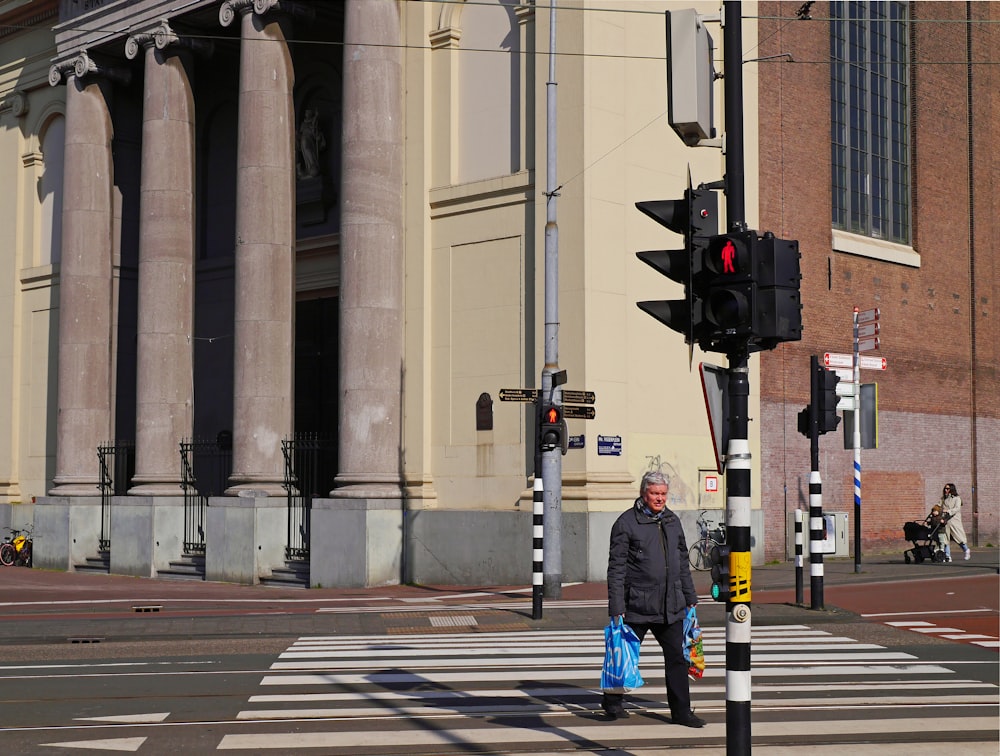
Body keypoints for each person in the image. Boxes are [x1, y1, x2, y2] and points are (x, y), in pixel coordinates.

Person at [602, 470, 704, 728]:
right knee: (623, 655)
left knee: (677, 659)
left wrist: (690, 596)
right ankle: (612, 702)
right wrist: (617, 606)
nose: (659, 498)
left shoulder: (672, 521)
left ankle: (681, 713)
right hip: (637, 604)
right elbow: (616, 568)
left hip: (670, 605)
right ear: (643, 493)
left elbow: (682, 562)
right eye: (654, 493)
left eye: (663, 494)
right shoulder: (626, 523)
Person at [939, 483, 970, 561]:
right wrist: (935, 510)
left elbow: (957, 508)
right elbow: (938, 506)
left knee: (959, 537)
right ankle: (947, 556)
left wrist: (948, 511)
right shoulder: (943, 498)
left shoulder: (957, 498)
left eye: (948, 489)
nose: (946, 490)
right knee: (946, 539)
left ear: (952, 489)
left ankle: (966, 550)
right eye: (945, 488)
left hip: (954, 521)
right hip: (945, 521)